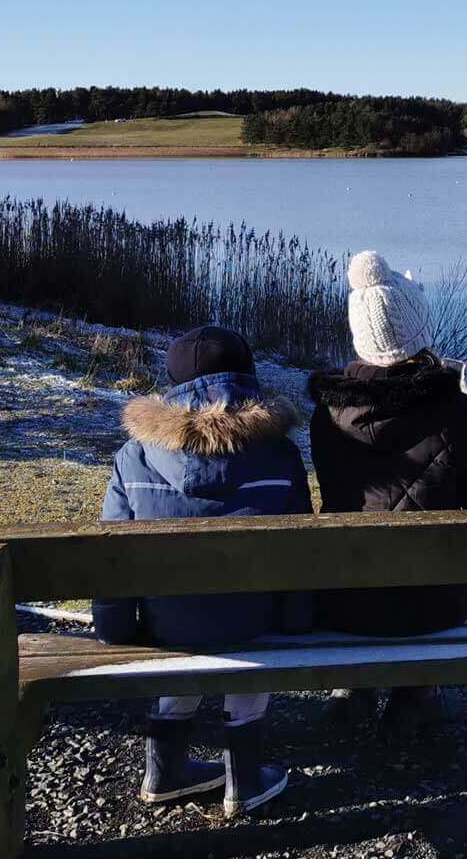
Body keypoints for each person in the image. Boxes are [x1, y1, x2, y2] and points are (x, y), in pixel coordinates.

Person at [92, 325, 309, 815]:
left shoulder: (135, 456)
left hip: (169, 626)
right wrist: (296, 625)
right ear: (248, 379)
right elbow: (300, 557)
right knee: (248, 614)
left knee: (182, 611)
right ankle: (244, 778)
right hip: (256, 623)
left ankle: (164, 769)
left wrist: (115, 630)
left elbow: (111, 559)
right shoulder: (280, 453)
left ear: (172, 384)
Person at [306, 251, 467, 736]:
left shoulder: (328, 418)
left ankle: (356, 687)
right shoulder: (458, 414)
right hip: (436, 601)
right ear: (420, 334)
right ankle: (417, 693)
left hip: (344, 601)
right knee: (417, 586)